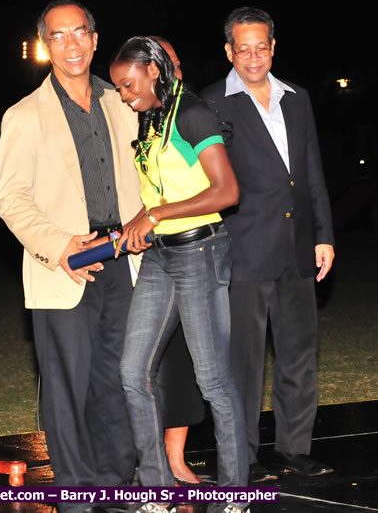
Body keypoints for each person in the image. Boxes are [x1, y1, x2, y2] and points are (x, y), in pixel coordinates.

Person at [0, 0, 142, 513]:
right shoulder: (23, 115)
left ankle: (116, 484)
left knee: (121, 379)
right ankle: (78, 494)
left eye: (80, 32)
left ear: (96, 39)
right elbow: (11, 198)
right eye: (58, 36)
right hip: (65, 266)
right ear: (45, 46)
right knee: (68, 385)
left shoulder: (123, 102)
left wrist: (148, 223)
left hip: (126, 259)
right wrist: (60, 246)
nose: (71, 43)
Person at [110, 36, 249, 513]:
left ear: (153, 70)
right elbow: (158, 193)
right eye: (119, 89)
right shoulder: (150, 120)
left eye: (128, 85)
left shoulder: (192, 113)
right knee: (132, 372)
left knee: (212, 379)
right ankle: (156, 491)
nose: (125, 96)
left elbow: (227, 192)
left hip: (200, 252)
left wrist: (156, 215)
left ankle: (234, 496)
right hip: (159, 256)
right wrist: (136, 222)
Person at [201, 7, 335, 482]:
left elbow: (312, 171)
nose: (253, 57)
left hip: (298, 247)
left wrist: (324, 236)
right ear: (228, 51)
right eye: (243, 48)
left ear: (273, 47)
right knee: (243, 363)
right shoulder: (211, 103)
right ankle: (244, 457)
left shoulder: (297, 98)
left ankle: (295, 449)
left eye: (261, 47)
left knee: (299, 354)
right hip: (243, 250)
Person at [150, 36, 207, 487]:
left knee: (182, 363)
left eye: (170, 63)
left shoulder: (190, 116)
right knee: (139, 368)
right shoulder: (135, 116)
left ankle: (176, 461)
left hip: (189, 249)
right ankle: (144, 463)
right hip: (137, 257)